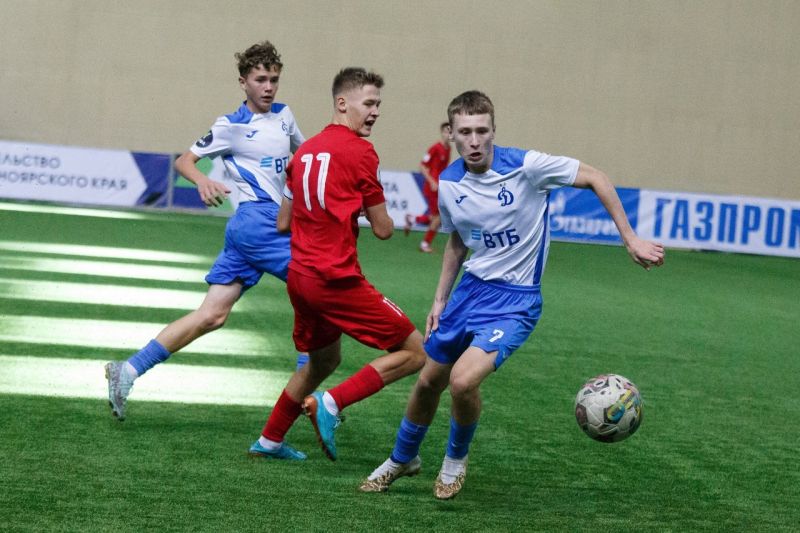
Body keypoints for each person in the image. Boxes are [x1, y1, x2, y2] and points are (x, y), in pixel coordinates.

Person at [360, 90, 665, 499]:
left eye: (481, 131)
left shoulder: (528, 167)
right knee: (429, 380)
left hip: (515, 301)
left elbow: (596, 177)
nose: (474, 140)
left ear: (493, 130)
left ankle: (454, 461)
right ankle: (402, 459)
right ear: (451, 134)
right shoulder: (449, 182)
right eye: (464, 132)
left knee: (462, 381)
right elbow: (458, 241)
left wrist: (630, 239)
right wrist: (440, 299)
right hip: (469, 293)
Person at [104, 40, 308, 421]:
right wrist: (203, 181)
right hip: (259, 221)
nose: (268, 87)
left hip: (254, 229)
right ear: (243, 82)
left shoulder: (285, 116)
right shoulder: (230, 126)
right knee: (316, 288)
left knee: (212, 315)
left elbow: (307, 155)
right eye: (260, 80)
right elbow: (185, 161)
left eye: (274, 79)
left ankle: (127, 370)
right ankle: (309, 396)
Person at [247, 67, 427, 461]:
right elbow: (383, 229)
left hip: (300, 277)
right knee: (418, 352)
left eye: (378, 104)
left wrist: (335, 210)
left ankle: (269, 440)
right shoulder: (362, 152)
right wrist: (356, 208)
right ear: (342, 103)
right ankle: (332, 403)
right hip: (334, 278)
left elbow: (283, 223)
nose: (376, 111)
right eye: (369, 103)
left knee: (323, 360)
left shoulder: (304, 151)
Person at [404, 122, 451, 252]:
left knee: (437, 217)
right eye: (446, 131)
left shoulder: (448, 149)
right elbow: (422, 166)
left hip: (440, 186)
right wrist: (431, 182)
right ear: (442, 133)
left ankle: (413, 218)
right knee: (439, 217)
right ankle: (424, 244)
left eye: (450, 132)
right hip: (432, 188)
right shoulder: (435, 148)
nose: (448, 134)